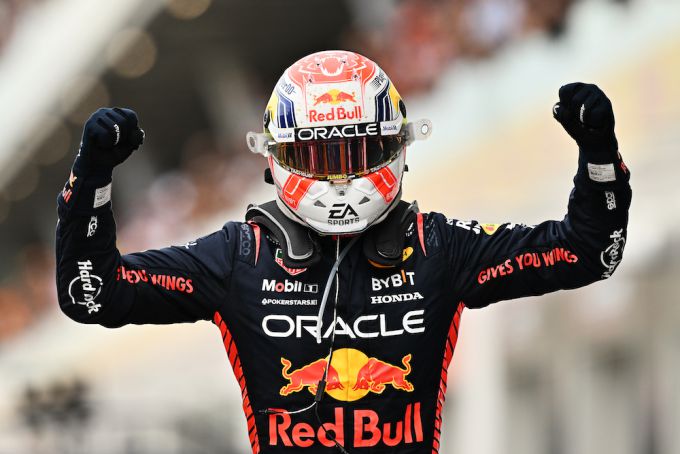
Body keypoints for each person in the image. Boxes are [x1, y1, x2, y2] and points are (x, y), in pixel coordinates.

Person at [55, 50, 631, 453]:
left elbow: (588, 253)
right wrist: (91, 182)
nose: (339, 179)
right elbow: (92, 294)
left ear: (398, 148)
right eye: (319, 157)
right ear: (276, 158)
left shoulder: (437, 245)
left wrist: (600, 159)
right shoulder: (239, 255)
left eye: (356, 153)